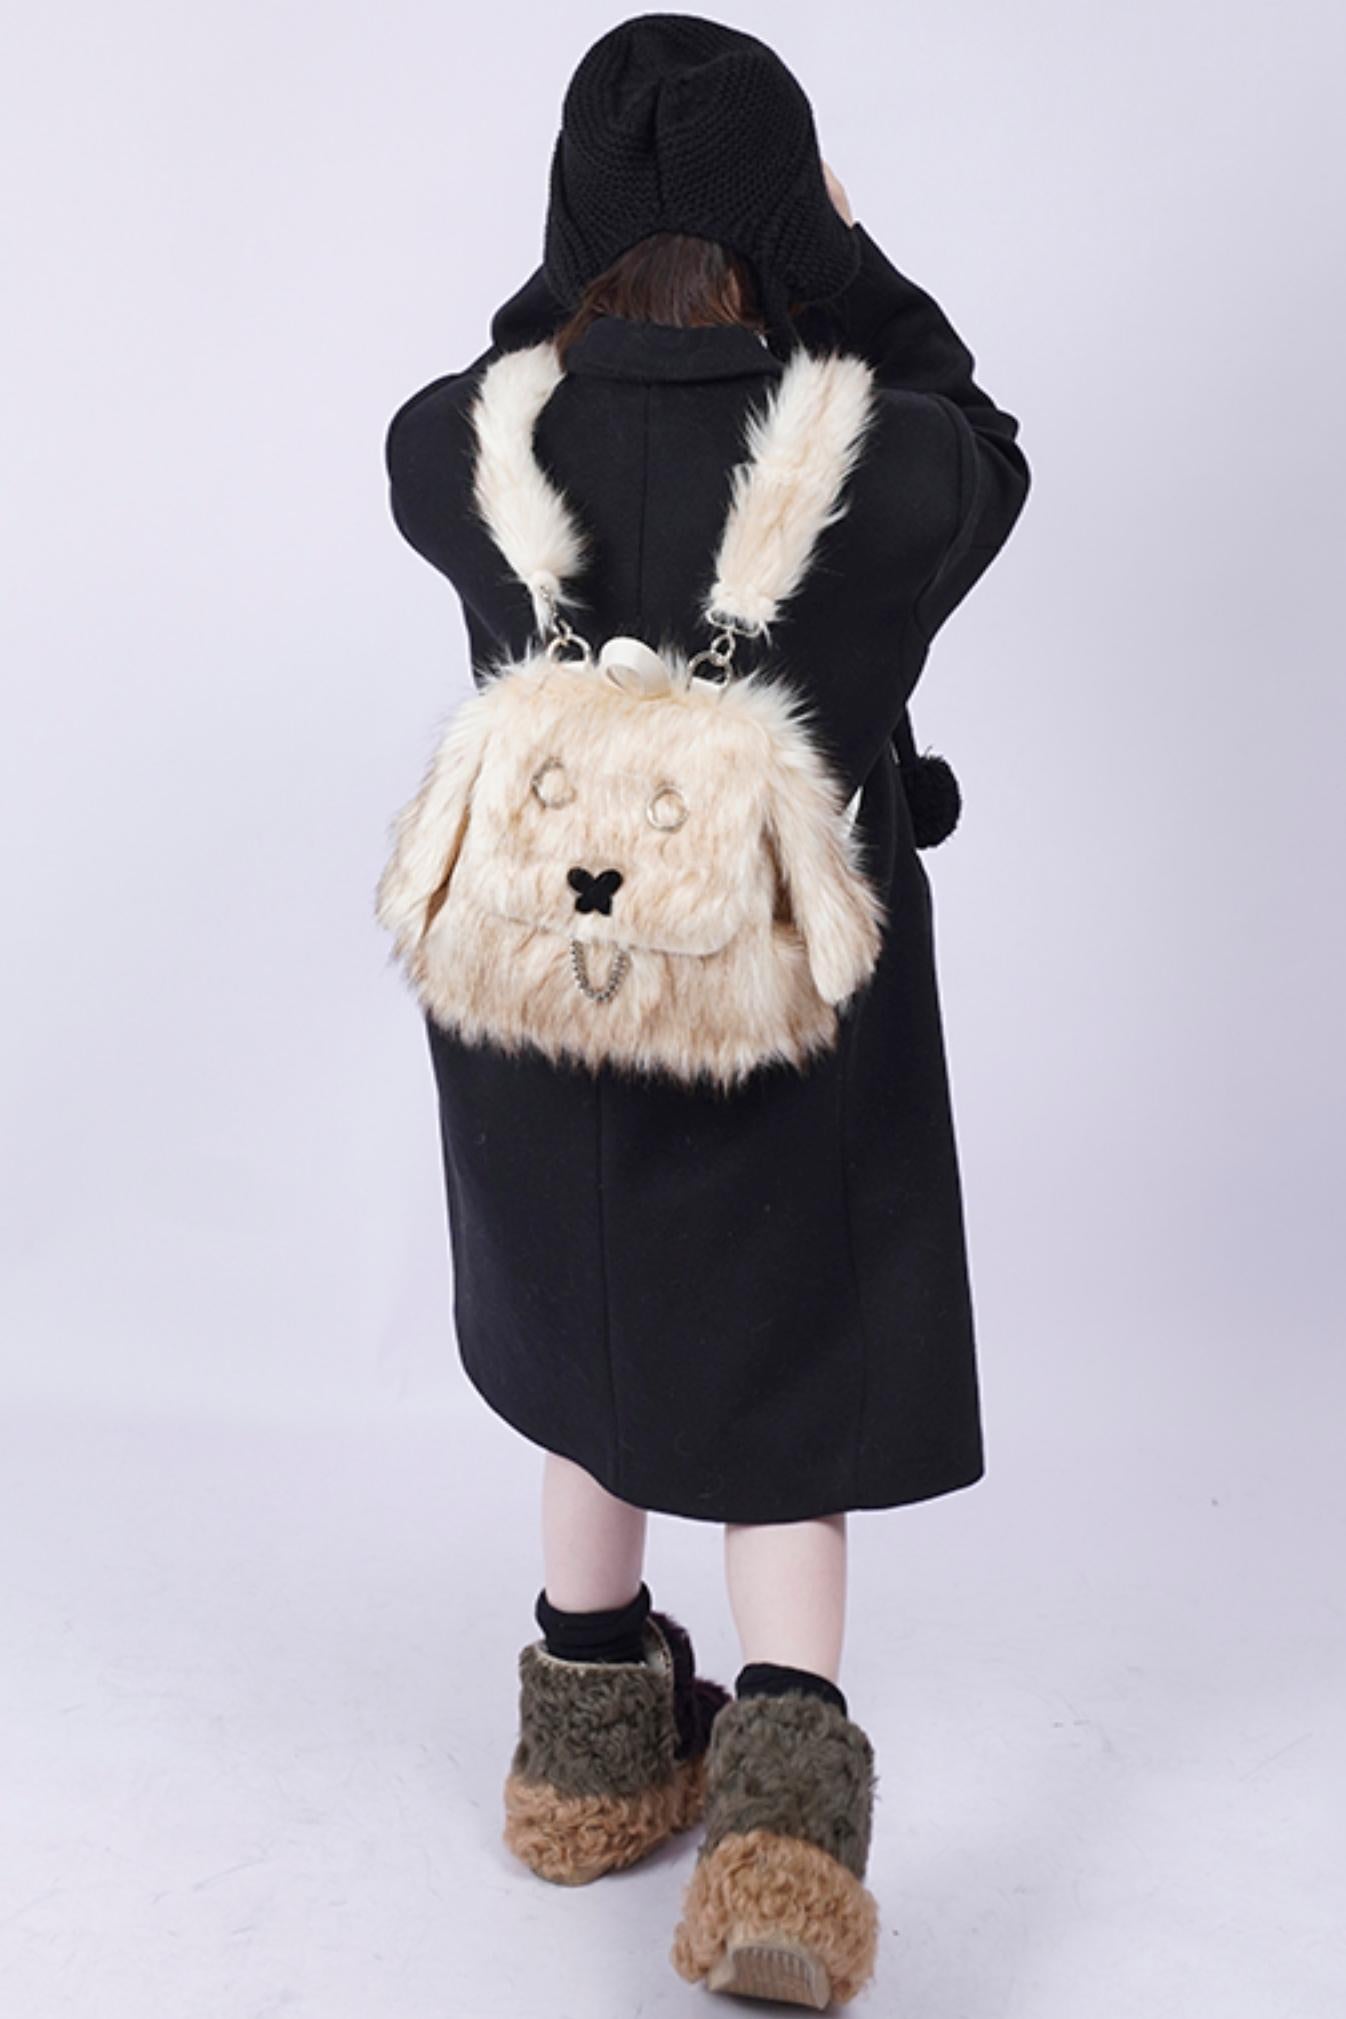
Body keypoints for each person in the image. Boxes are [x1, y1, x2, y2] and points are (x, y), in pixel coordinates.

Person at [380, 14, 1030, 2007]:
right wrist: (841, 260)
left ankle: (585, 1750)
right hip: (775, 1019)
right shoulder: (880, 465)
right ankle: (781, 1837)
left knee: (587, 1336)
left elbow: (495, 363)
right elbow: (985, 438)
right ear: (791, 219)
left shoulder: (466, 446)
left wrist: (577, 268)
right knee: (781, 1385)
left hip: (544, 1013)